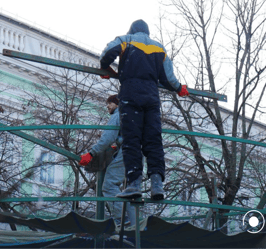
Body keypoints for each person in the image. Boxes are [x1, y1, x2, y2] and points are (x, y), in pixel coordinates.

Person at [99, 19, 190, 200]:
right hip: (151, 98)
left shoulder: (127, 39)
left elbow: (107, 53)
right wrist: (180, 88)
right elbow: (168, 78)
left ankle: (134, 184)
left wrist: (105, 68)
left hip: (131, 95)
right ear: (148, 32)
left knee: (132, 139)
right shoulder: (159, 48)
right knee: (153, 140)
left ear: (132, 29)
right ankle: (157, 185)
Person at [79, 95, 135, 226]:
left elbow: (108, 137)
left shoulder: (118, 115)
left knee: (109, 185)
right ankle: (133, 223)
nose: (107, 106)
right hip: (137, 151)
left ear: (117, 104)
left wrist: (91, 153)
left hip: (129, 149)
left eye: (110, 103)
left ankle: (121, 219)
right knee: (131, 191)